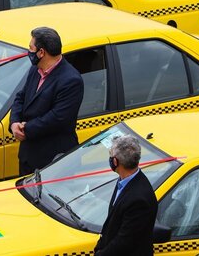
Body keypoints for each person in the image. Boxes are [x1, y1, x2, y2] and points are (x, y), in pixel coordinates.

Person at [9, 26, 84, 175]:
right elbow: (21, 96)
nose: (29, 51)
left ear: (41, 52)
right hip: (28, 158)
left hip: (54, 162)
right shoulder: (35, 69)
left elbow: (58, 118)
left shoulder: (71, 80)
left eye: (31, 48)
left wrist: (26, 129)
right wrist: (14, 122)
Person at [94, 135, 159, 256]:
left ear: (115, 161)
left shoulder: (139, 200)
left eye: (111, 155)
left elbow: (124, 242)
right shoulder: (124, 181)